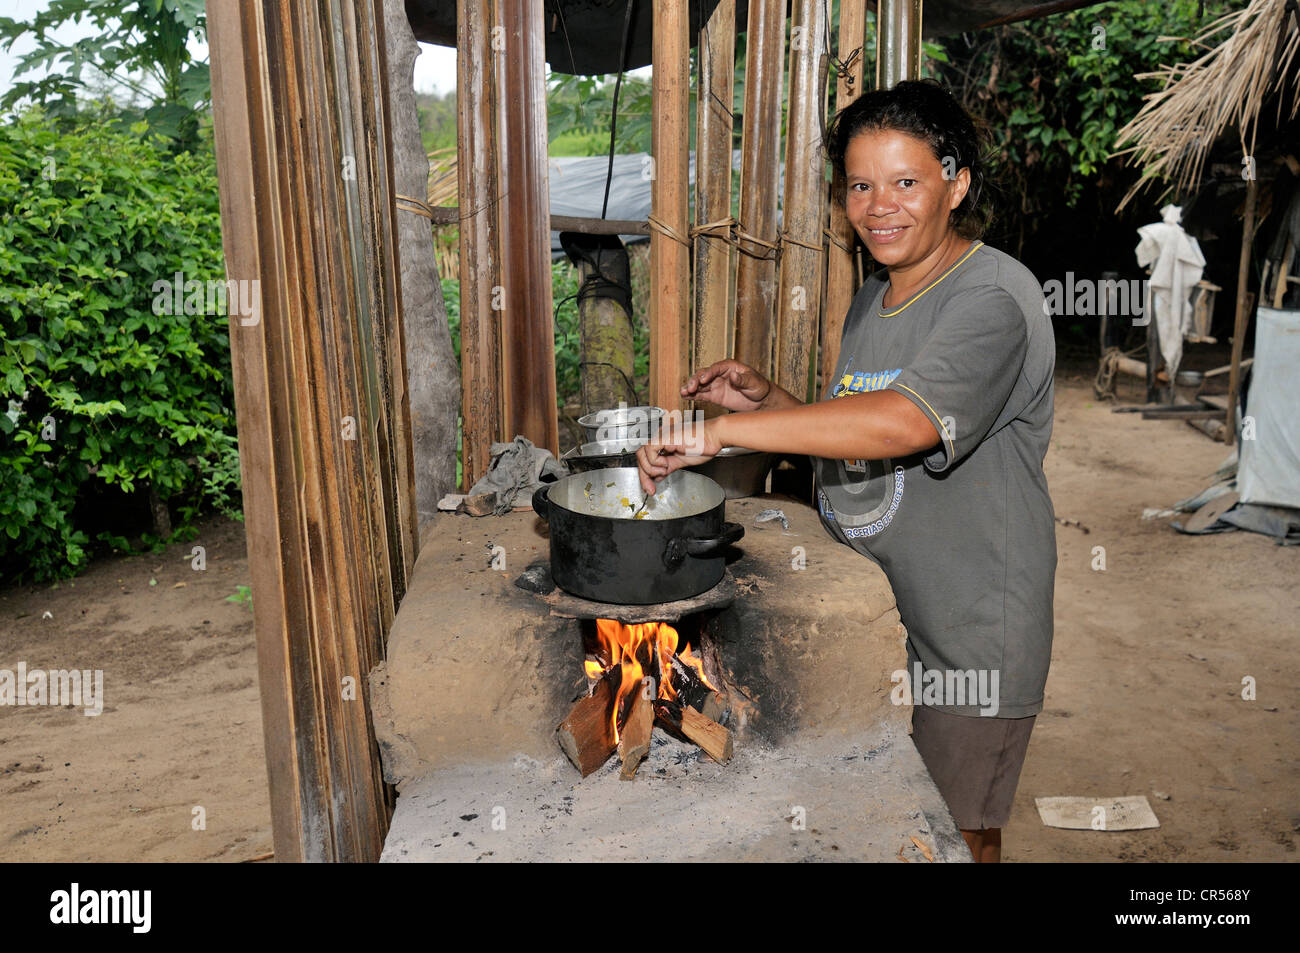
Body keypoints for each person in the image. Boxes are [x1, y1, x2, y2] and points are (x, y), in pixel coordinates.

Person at [635, 79, 1056, 863]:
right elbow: (859, 434)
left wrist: (726, 431)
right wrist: (768, 399)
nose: (878, 206)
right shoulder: (875, 297)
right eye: (860, 185)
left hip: (967, 639)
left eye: (906, 181)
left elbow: (907, 421)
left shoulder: (992, 298)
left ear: (956, 183)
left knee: (954, 832)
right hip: (883, 619)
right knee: (888, 821)